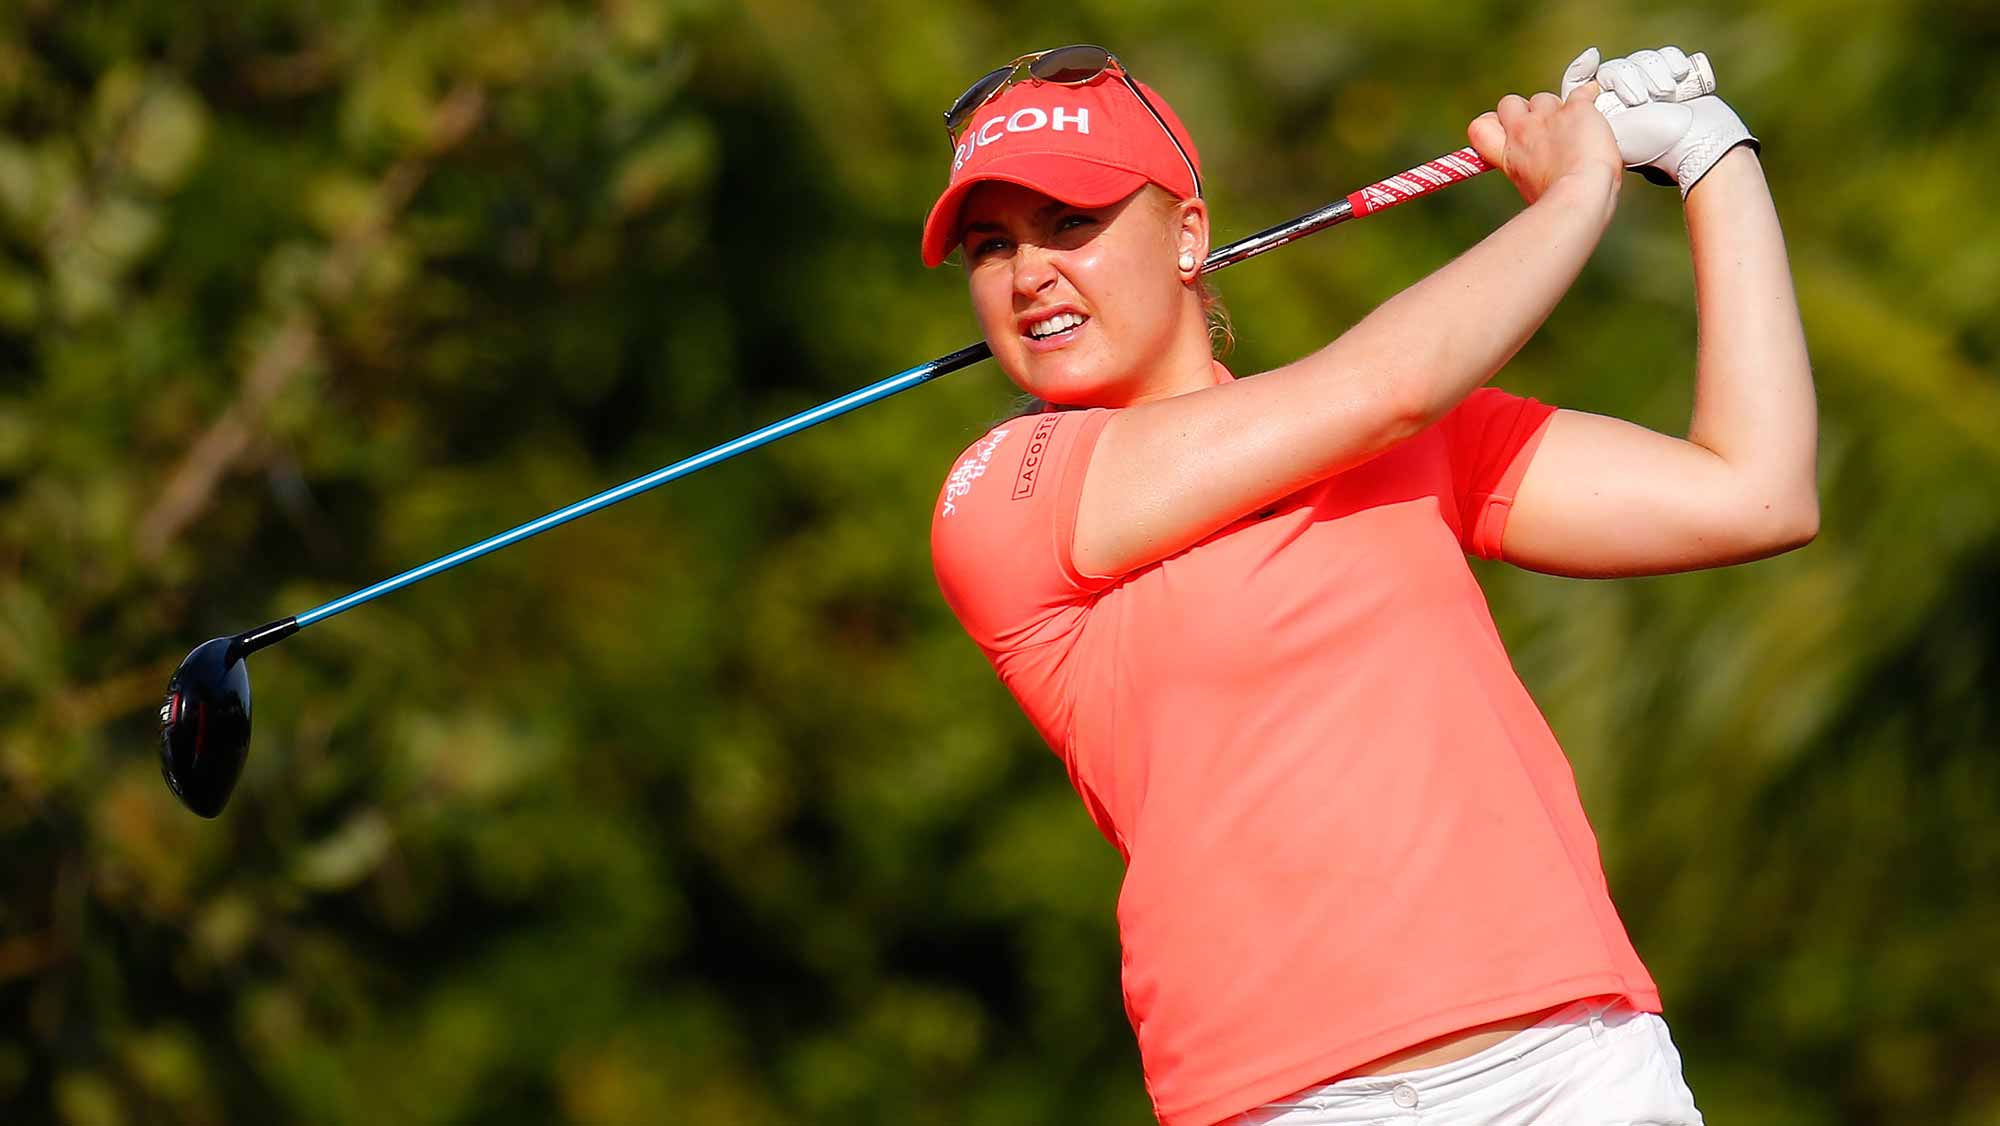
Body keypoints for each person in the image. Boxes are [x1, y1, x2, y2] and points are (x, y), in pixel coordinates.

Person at [923, 42, 1815, 1126]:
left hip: (1573, 1065)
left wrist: (1707, 156)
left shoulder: (1402, 440)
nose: (1028, 274)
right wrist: (1579, 186)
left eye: (1071, 226)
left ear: (1188, 236)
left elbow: (1753, 493)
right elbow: (1382, 388)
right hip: (1290, 1100)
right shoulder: (1000, 496)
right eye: (990, 246)